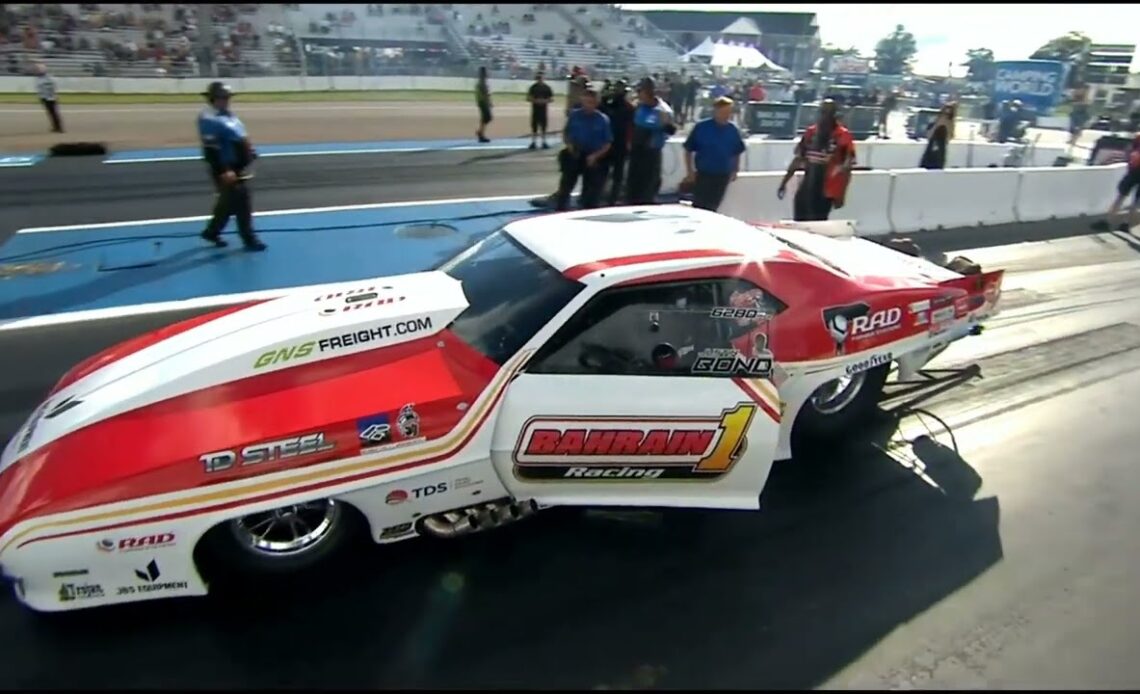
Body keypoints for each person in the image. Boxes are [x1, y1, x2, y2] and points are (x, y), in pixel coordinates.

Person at [197, 81, 267, 251]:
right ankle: (249, 238)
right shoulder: (208, 119)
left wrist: (249, 151)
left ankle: (211, 232)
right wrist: (225, 170)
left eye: (227, 97)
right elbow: (211, 149)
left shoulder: (227, 114)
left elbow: (238, 135)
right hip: (226, 167)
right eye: (222, 97)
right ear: (213, 99)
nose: (226, 100)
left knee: (227, 203)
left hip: (237, 164)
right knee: (242, 201)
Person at [776, 99, 856, 222]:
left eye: (828, 112)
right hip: (806, 187)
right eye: (822, 112)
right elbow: (798, 159)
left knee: (817, 223)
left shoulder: (843, 136)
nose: (824, 116)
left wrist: (841, 195)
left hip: (826, 190)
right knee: (800, 223)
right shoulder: (810, 132)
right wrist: (784, 182)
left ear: (834, 115)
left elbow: (846, 168)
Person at [554, 84, 612, 212]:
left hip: (592, 157)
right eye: (586, 101)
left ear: (597, 103)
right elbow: (566, 133)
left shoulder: (602, 120)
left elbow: (607, 143)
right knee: (565, 188)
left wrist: (595, 156)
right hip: (574, 153)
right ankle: (561, 211)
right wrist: (569, 145)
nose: (588, 105)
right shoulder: (575, 115)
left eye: (592, 102)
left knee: (590, 194)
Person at [682, 96, 746, 212]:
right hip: (703, 173)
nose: (727, 115)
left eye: (729, 112)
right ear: (715, 111)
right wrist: (690, 172)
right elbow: (688, 149)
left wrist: (735, 169)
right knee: (699, 206)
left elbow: (737, 151)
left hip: (722, 174)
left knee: (714, 205)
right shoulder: (701, 127)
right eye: (723, 112)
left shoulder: (733, 130)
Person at [626, 77, 676, 205]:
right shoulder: (639, 107)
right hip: (636, 150)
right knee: (632, 185)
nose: (638, 94)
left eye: (641, 91)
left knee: (648, 185)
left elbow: (670, 130)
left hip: (651, 151)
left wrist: (663, 125)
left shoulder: (663, 110)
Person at [1090, 132, 1140, 233]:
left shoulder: (1138, 136)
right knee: (1136, 201)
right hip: (1135, 170)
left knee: (1121, 196)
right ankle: (1126, 224)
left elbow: (1129, 150)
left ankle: (1108, 221)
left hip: (1134, 171)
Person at [600, 79, 635, 205]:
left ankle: (611, 198)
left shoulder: (627, 108)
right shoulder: (609, 105)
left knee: (615, 175)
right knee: (609, 173)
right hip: (611, 143)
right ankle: (608, 197)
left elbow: (631, 128)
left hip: (618, 143)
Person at [919, 102, 956, 170]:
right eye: (944, 114)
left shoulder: (950, 125)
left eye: (948, 115)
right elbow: (928, 136)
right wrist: (937, 124)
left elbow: (949, 138)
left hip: (940, 151)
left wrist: (948, 125)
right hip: (931, 149)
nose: (945, 116)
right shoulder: (935, 122)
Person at [526, 70, 553, 149]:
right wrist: (536, 101)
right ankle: (534, 142)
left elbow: (551, 99)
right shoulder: (533, 87)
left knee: (543, 126)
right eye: (539, 77)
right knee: (534, 125)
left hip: (543, 109)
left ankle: (543, 142)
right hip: (535, 109)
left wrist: (544, 101)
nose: (540, 78)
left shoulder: (547, 88)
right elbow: (528, 98)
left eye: (541, 77)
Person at [34, 63, 63, 133]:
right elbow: (40, 88)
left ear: (44, 70)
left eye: (39, 69)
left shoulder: (49, 78)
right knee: (50, 113)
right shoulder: (38, 78)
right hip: (44, 97)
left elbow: (52, 87)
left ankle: (59, 128)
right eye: (37, 69)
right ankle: (55, 127)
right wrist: (40, 96)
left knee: (54, 113)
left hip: (50, 98)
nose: (37, 70)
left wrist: (52, 96)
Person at [475, 66, 492, 143]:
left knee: (485, 118)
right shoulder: (483, 82)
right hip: (483, 102)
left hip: (481, 101)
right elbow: (485, 94)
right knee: (488, 117)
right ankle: (480, 133)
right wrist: (489, 102)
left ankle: (481, 132)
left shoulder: (480, 82)